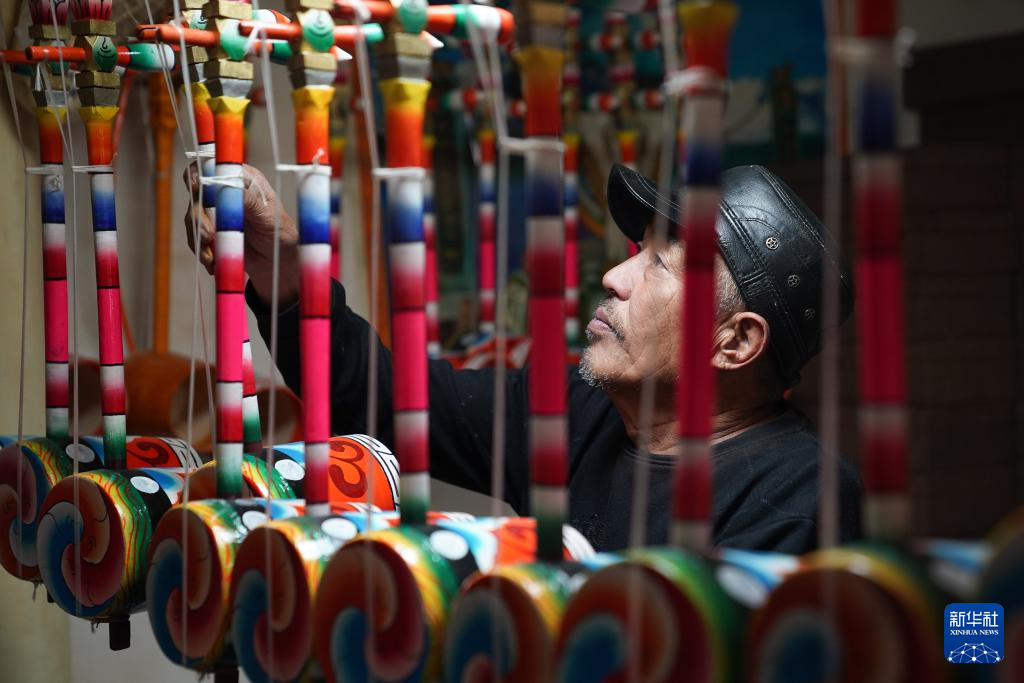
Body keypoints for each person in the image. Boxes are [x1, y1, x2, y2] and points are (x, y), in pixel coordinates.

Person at [183, 161, 862, 553]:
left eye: (658, 265)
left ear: (736, 342)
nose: (614, 278)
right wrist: (281, 271)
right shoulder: (575, 413)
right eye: (635, 255)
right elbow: (386, 401)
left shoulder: (803, 502)